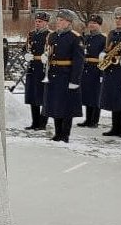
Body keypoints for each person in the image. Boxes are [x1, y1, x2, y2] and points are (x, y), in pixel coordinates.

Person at [41, 8, 84, 143]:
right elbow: (49, 52)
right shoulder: (52, 36)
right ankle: (57, 133)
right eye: (57, 20)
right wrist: (45, 57)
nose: (58, 22)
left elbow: (79, 61)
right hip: (53, 75)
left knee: (66, 107)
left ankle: (65, 135)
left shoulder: (75, 38)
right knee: (55, 105)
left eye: (61, 20)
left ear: (69, 22)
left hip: (66, 75)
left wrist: (74, 80)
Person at [100, 7, 121, 137]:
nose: (118, 21)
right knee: (114, 99)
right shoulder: (112, 33)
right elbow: (107, 48)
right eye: (116, 18)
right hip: (111, 70)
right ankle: (115, 127)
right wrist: (103, 54)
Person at [22, 11, 51, 130]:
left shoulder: (50, 35)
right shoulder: (31, 34)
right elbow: (25, 49)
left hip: (43, 69)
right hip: (32, 67)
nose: (38, 23)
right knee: (33, 96)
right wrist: (26, 55)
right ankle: (35, 122)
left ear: (46, 23)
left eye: (40, 21)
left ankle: (42, 123)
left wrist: (47, 56)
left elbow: (54, 51)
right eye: (36, 21)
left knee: (44, 97)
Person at [76, 14, 105, 128]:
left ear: (99, 25)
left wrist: (102, 73)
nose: (92, 25)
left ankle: (94, 120)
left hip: (96, 69)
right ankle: (88, 119)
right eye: (90, 23)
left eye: (95, 23)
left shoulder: (103, 39)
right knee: (87, 94)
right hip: (86, 68)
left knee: (96, 95)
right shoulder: (85, 38)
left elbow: (104, 56)